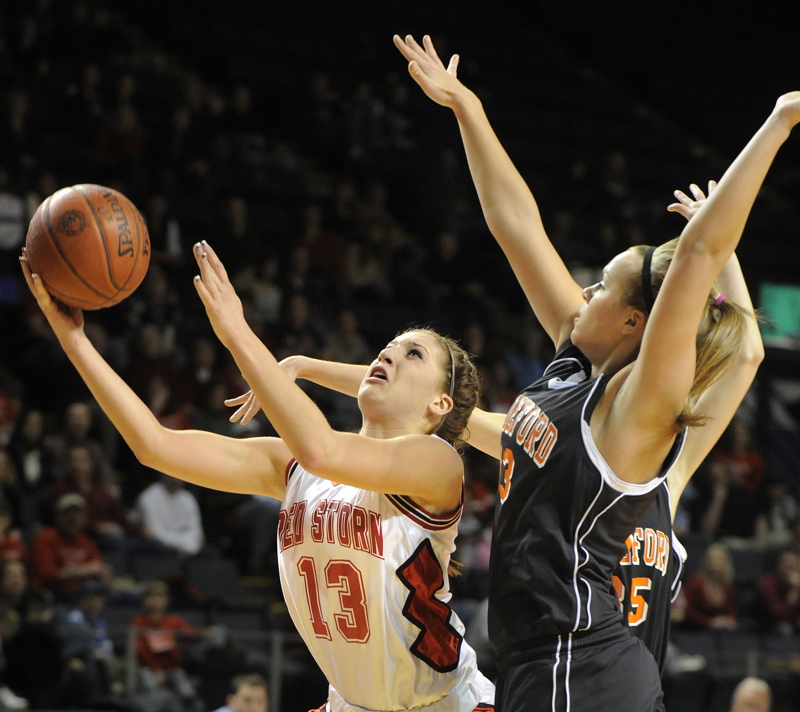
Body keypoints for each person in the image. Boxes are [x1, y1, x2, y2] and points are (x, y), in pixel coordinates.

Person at [390, 33, 800, 711]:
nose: (584, 292)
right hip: (552, 659)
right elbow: (516, 224)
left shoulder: (640, 413)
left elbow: (704, 263)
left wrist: (782, 119)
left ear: (638, 322)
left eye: (603, 286)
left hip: (582, 664)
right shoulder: (575, 367)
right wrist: (468, 109)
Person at [255, 183, 763, 679]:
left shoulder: (667, 469)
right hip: (561, 670)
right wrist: (308, 368)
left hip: (625, 684)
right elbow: (435, 407)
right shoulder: (566, 446)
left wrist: (725, 255)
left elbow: (749, 353)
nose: (586, 296)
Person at [20, 244, 494, 712]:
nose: (389, 354)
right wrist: (73, 338)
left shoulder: (437, 463)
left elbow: (322, 448)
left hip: (444, 705)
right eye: (388, 348)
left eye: (413, 354)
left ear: (440, 405)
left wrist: (237, 332)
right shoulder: (295, 468)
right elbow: (154, 446)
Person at [28, 493, 112, 601]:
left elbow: (100, 570)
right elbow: (46, 575)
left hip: (81, 598)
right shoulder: (45, 538)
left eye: (78, 514)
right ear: (57, 516)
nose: (73, 518)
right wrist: (83, 571)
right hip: (51, 597)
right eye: (68, 514)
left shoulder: (87, 542)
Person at [681, 542, 738, 630]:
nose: (714, 562)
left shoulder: (727, 586)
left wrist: (729, 620)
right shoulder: (695, 583)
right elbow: (687, 611)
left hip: (720, 632)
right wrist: (710, 622)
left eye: (719, 559)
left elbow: (731, 611)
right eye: (712, 559)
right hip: (695, 631)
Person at [755, 547, 800, 636]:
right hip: (770, 626)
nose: (789, 567)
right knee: (784, 628)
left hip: (793, 622)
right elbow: (777, 613)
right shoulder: (767, 584)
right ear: (778, 565)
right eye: (786, 563)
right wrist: (793, 591)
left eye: (793, 564)